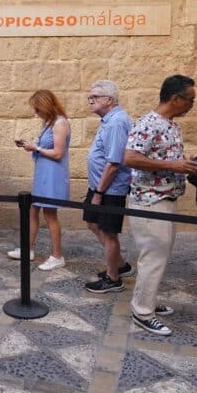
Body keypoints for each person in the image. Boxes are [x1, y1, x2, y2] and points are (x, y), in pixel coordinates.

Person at [125, 74, 197, 336]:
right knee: (153, 257)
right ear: (175, 98)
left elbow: (164, 157)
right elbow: (130, 157)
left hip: (166, 198)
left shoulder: (171, 124)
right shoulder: (149, 123)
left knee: (159, 255)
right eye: (190, 99)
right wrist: (173, 165)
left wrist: (185, 164)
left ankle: (147, 299)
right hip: (150, 201)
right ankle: (142, 312)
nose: (193, 104)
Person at [9, 90, 70, 271]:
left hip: (53, 174)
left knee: (50, 215)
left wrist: (35, 147)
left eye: (37, 108)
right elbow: (44, 147)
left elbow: (58, 153)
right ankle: (28, 249)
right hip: (43, 172)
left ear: (46, 105)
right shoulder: (48, 123)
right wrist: (30, 145)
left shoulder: (60, 123)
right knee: (33, 210)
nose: (36, 112)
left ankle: (58, 255)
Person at [82, 80, 133, 293]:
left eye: (95, 97)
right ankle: (120, 264)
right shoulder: (108, 120)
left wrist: (99, 192)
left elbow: (113, 163)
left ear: (109, 100)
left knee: (109, 232)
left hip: (109, 189)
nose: (90, 100)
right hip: (99, 186)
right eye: (90, 97)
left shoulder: (116, 123)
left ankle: (113, 278)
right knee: (92, 222)